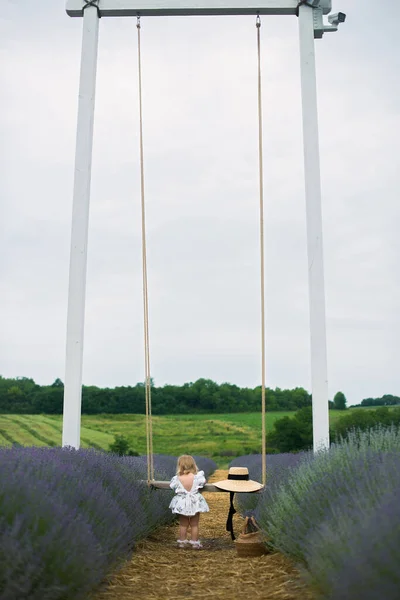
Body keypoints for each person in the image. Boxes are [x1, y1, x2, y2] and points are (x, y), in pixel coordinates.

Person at [169, 455, 209, 549]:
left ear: (180, 465)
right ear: (193, 465)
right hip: (195, 502)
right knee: (194, 524)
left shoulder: (177, 478)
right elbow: (204, 482)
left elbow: (172, 486)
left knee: (183, 524)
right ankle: (195, 543)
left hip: (182, 503)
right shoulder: (197, 477)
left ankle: (182, 543)